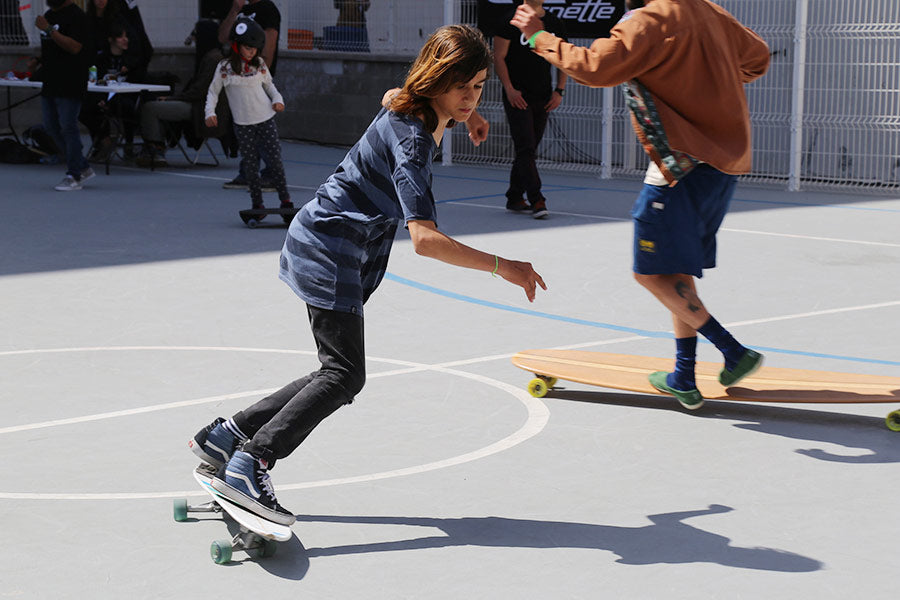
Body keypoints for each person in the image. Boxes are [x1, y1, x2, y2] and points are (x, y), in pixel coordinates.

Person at [188, 24, 546, 524]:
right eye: (462, 87)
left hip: (328, 238)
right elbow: (424, 240)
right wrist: (502, 265)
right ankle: (253, 460)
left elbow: (393, 92)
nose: (471, 96)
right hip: (331, 245)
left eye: (480, 86)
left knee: (334, 369)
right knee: (344, 374)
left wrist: (470, 115)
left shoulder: (409, 101)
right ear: (435, 79)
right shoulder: (414, 143)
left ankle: (227, 435)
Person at [511, 0, 770, 409]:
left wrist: (538, 35)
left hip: (679, 166)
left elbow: (593, 66)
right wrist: (706, 82)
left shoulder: (648, 22)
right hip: (724, 164)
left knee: (650, 274)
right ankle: (683, 376)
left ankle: (733, 351)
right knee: (675, 270)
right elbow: (758, 58)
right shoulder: (707, 11)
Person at [205, 18, 291, 214]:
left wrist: (279, 101)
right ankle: (257, 204)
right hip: (243, 124)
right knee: (251, 167)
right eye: (247, 47)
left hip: (265, 119)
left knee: (275, 161)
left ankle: (285, 199)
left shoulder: (259, 65)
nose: (251, 51)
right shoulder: (225, 68)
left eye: (254, 48)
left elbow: (270, 86)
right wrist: (209, 112)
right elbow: (212, 92)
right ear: (236, 45)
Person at [494, 0, 567, 219]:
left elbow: (563, 57)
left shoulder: (552, 22)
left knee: (529, 149)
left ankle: (514, 196)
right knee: (525, 147)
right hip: (518, 96)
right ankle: (537, 199)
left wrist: (559, 91)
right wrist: (509, 89)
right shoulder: (511, 20)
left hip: (543, 96)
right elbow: (498, 57)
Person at [217, 0, 281, 191]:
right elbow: (222, 37)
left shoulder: (267, 10)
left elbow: (270, 45)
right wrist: (235, 9)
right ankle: (247, 173)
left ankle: (272, 175)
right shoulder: (239, 10)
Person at [136, 41, 226, 168]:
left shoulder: (213, 59)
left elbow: (198, 91)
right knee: (156, 107)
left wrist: (172, 98)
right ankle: (155, 145)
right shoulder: (217, 58)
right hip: (204, 106)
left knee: (150, 108)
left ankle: (155, 147)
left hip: (200, 108)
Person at [35, 0, 94, 191]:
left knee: (68, 126)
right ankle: (82, 166)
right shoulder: (50, 16)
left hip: (70, 80)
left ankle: (74, 174)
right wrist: (37, 62)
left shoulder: (77, 17)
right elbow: (51, 47)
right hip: (51, 80)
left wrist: (49, 29)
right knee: (51, 126)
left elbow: (75, 47)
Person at [78, 24, 143, 162]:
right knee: (85, 110)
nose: (125, 40)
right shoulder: (101, 59)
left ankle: (128, 144)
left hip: (125, 96)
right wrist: (100, 98)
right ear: (111, 40)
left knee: (126, 107)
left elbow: (138, 81)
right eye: (121, 37)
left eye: (126, 36)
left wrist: (130, 70)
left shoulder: (131, 59)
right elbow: (95, 80)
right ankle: (103, 140)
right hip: (104, 96)